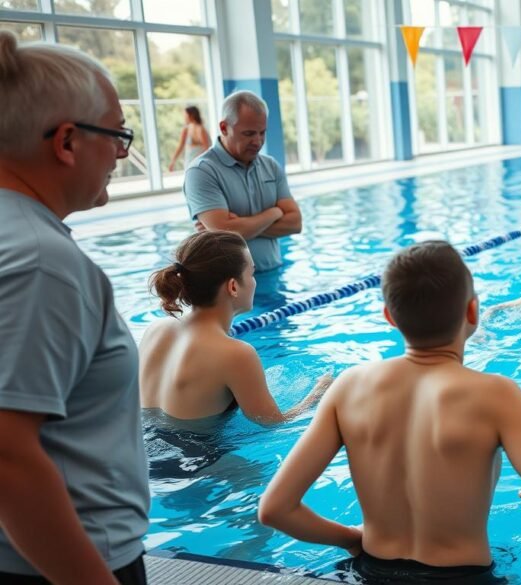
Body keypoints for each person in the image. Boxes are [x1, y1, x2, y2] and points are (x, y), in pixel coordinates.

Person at [258, 241, 521, 583]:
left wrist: (353, 540)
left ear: (389, 316)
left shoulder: (348, 386)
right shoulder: (497, 395)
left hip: (370, 572)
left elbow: (275, 509)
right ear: (472, 312)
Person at [0, 32, 149, 584]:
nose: (122, 152)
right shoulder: (42, 263)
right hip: (55, 564)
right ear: (66, 141)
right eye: (116, 134)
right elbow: (8, 457)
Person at [140, 230, 330, 424]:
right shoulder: (236, 354)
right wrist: (319, 393)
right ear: (233, 286)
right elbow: (274, 424)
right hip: (198, 454)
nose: (254, 281)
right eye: (252, 273)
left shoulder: (156, 329)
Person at [183, 90, 301, 273]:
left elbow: (295, 223)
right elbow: (226, 231)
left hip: (273, 274)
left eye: (262, 133)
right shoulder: (201, 172)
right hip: (229, 287)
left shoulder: (270, 166)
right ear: (224, 128)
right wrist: (274, 213)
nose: (258, 141)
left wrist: (242, 227)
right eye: (248, 133)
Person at [167, 105, 211, 172]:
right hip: (189, 161)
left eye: (185, 115)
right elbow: (180, 146)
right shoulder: (186, 129)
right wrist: (173, 161)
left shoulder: (201, 129)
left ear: (192, 115)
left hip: (199, 163)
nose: (184, 117)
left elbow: (207, 149)